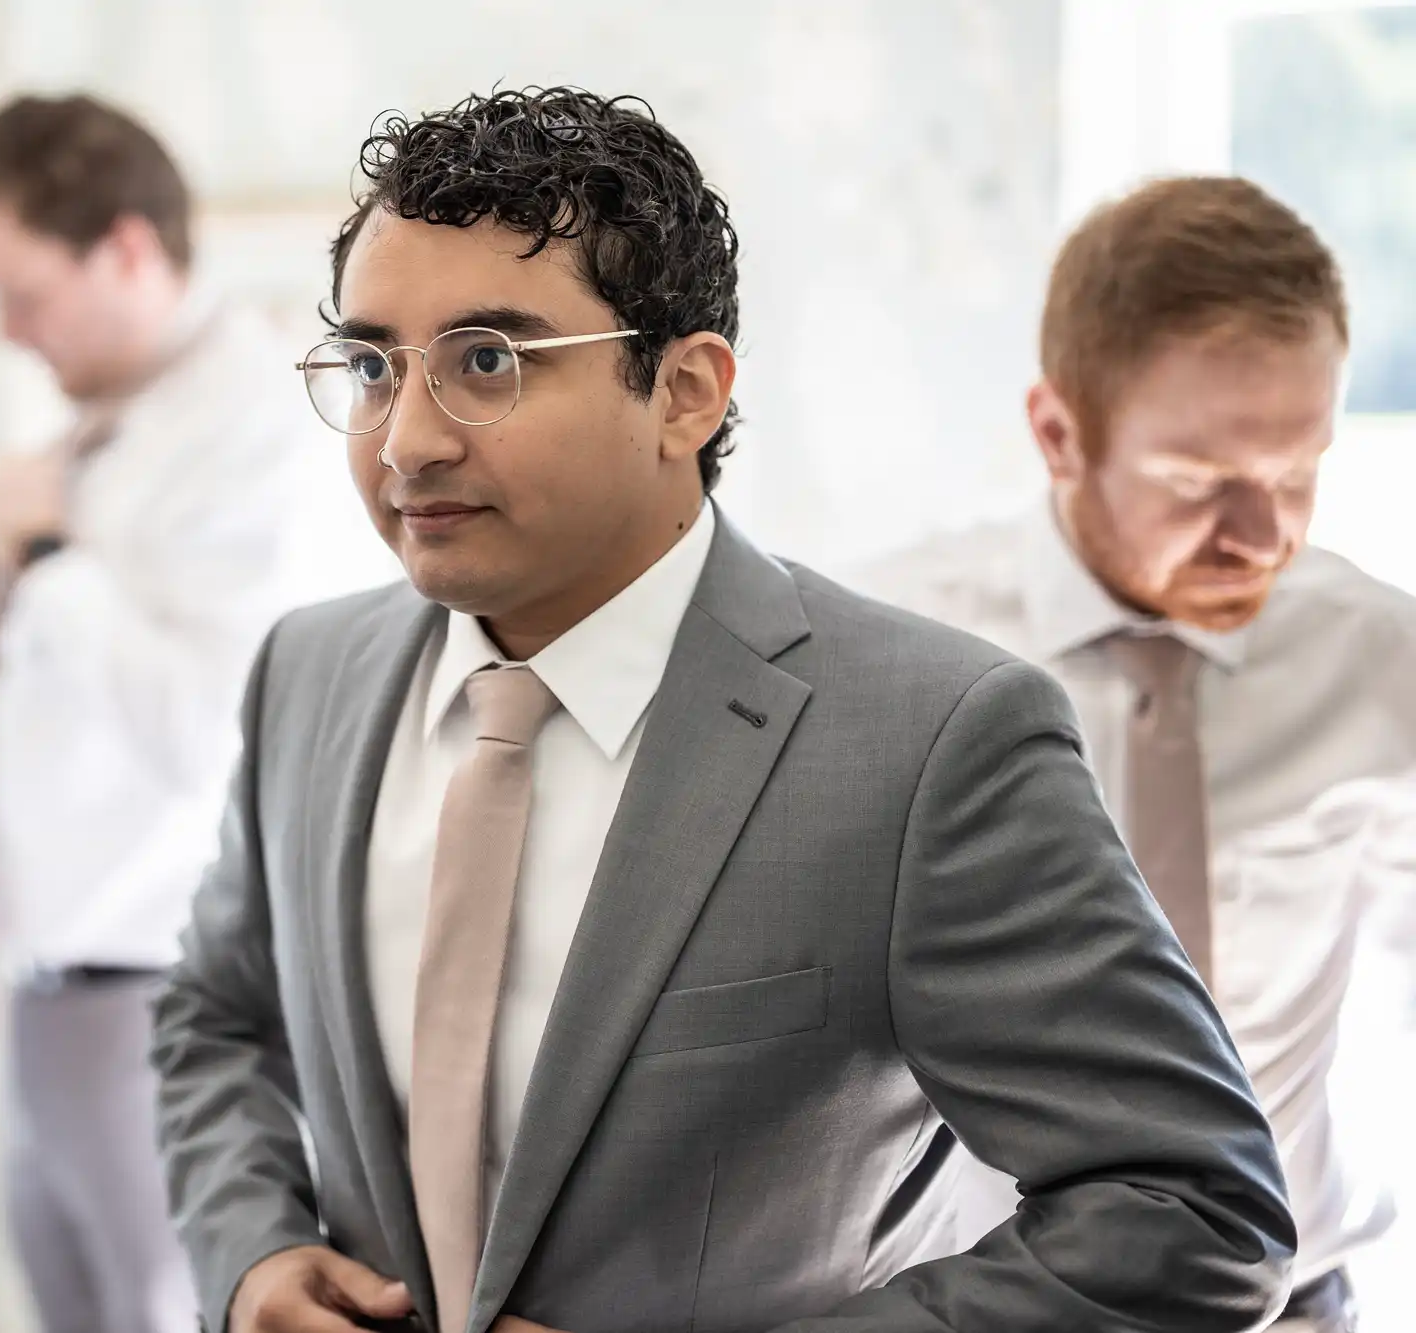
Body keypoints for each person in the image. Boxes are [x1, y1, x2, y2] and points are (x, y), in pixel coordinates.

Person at [151, 86, 1295, 1333]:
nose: (406, 440)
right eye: (373, 365)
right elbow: (215, 1017)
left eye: (487, 362)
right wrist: (254, 1248)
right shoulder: (304, 676)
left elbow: (1189, 1213)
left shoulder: (934, 739)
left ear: (685, 391)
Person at [849, 175, 1416, 1333]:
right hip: (997, 1308)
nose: (1261, 535)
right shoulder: (890, 659)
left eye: (1295, 473)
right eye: (1199, 485)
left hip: (1300, 1303)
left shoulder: (1380, 660)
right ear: (1057, 434)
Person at [0, 93, 316, 1333]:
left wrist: (46, 559)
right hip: (47, 988)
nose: (3, 329)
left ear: (129, 251)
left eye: (26, 295)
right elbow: (53, 713)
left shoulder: (255, 429)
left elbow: (210, 731)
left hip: (158, 994)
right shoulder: (111, 429)